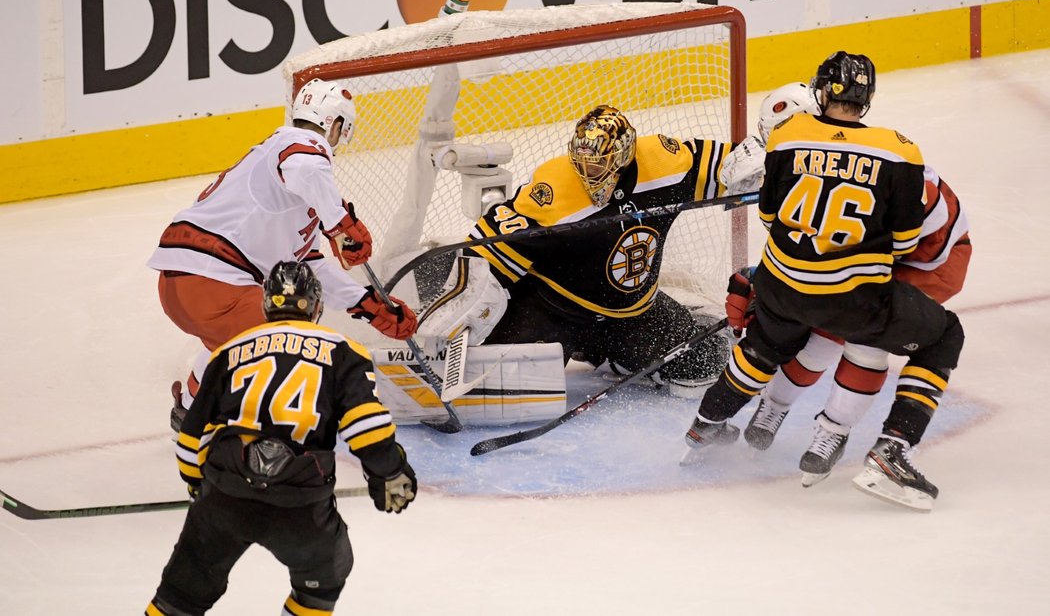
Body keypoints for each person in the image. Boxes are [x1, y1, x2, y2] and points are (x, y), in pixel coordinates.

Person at [681, 52, 965, 512]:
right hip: (853, 287)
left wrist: (766, 276)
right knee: (937, 334)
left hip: (935, 255)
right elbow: (897, 237)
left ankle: (721, 423)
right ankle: (890, 450)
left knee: (778, 338)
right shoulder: (900, 149)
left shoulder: (789, 136)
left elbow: (774, 218)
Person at [145, 261, 417, 616]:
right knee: (323, 581)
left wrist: (201, 489)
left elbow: (192, 436)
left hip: (226, 495)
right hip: (300, 506)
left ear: (265, 306)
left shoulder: (228, 350)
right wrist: (389, 472)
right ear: (317, 306)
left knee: (180, 596)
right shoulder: (345, 351)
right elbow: (367, 427)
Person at [147, 78, 418, 432]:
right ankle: (274, 427)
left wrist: (366, 304)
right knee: (294, 331)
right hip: (213, 280)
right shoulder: (299, 146)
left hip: (185, 286)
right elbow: (304, 164)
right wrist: (340, 222)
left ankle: (190, 409)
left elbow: (308, 266)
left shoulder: (284, 177)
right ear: (334, 124)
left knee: (242, 335)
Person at [460, 104, 748, 398]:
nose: (588, 172)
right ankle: (599, 350)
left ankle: (610, 352)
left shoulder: (663, 163)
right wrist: (454, 316)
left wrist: (780, 170)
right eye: (582, 162)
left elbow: (733, 165)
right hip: (552, 309)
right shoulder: (553, 188)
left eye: (597, 164)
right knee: (506, 386)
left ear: (622, 156)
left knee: (702, 366)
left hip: (632, 314)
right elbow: (483, 257)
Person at [742, 159, 972, 489]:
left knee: (865, 331)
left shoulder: (890, 187)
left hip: (930, 263)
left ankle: (836, 434)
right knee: (830, 321)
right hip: (886, 247)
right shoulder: (845, 165)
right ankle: (774, 407)